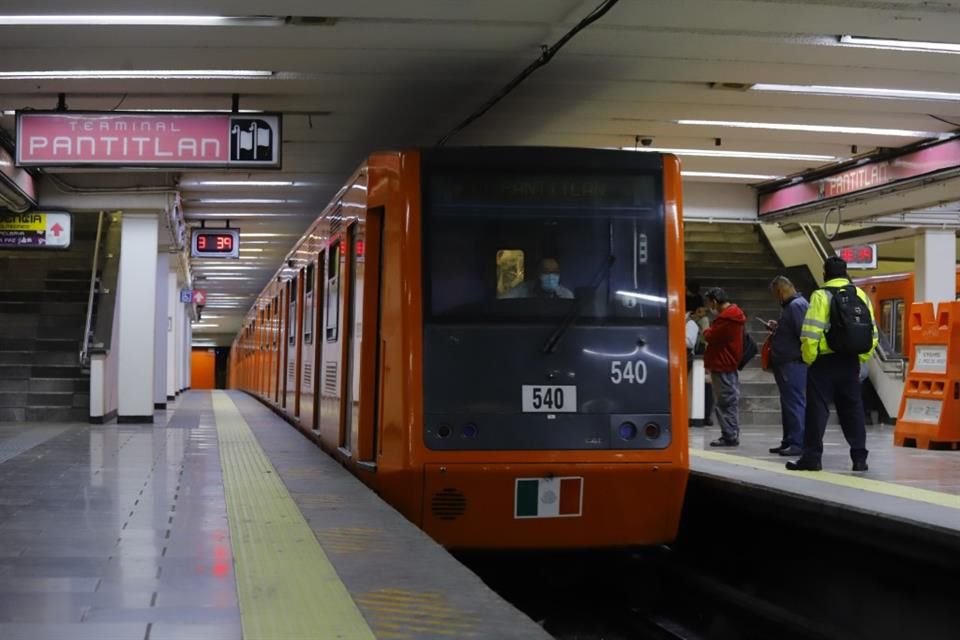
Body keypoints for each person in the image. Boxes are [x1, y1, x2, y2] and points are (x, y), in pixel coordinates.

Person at [787, 256, 878, 472]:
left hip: (824, 363)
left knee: (817, 411)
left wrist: (810, 358)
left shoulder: (821, 295)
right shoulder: (860, 295)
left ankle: (812, 458)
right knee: (853, 409)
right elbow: (871, 332)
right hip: (850, 362)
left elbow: (810, 332)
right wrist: (860, 358)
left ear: (825, 273)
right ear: (846, 272)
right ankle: (859, 458)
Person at [765, 276, 809, 457]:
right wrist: (779, 328)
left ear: (780, 291)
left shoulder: (796, 306)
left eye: (776, 295)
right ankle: (789, 440)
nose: (776, 299)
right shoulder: (793, 306)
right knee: (788, 403)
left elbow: (803, 334)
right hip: (787, 363)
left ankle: (798, 442)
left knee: (794, 403)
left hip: (792, 363)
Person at [702, 287, 746, 447]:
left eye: (709, 303)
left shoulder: (727, 318)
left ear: (714, 301)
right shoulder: (733, 316)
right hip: (728, 363)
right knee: (728, 400)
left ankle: (729, 435)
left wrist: (706, 330)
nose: (709, 307)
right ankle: (731, 433)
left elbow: (711, 336)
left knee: (725, 402)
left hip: (722, 364)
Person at [685, 295, 713, 426]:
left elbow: (692, 342)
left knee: (706, 387)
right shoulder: (692, 322)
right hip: (701, 357)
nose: (701, 315)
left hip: (702, 357)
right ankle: (706, 416)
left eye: (703, 312)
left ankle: (706, 416)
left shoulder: (695, 323)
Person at [502, 257, 574, 299]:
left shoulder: (566, 295)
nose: (551, 277)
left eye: (555, 272)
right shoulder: (522, 291)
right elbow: (503, 302)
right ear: (538, 274)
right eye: (546, 272)